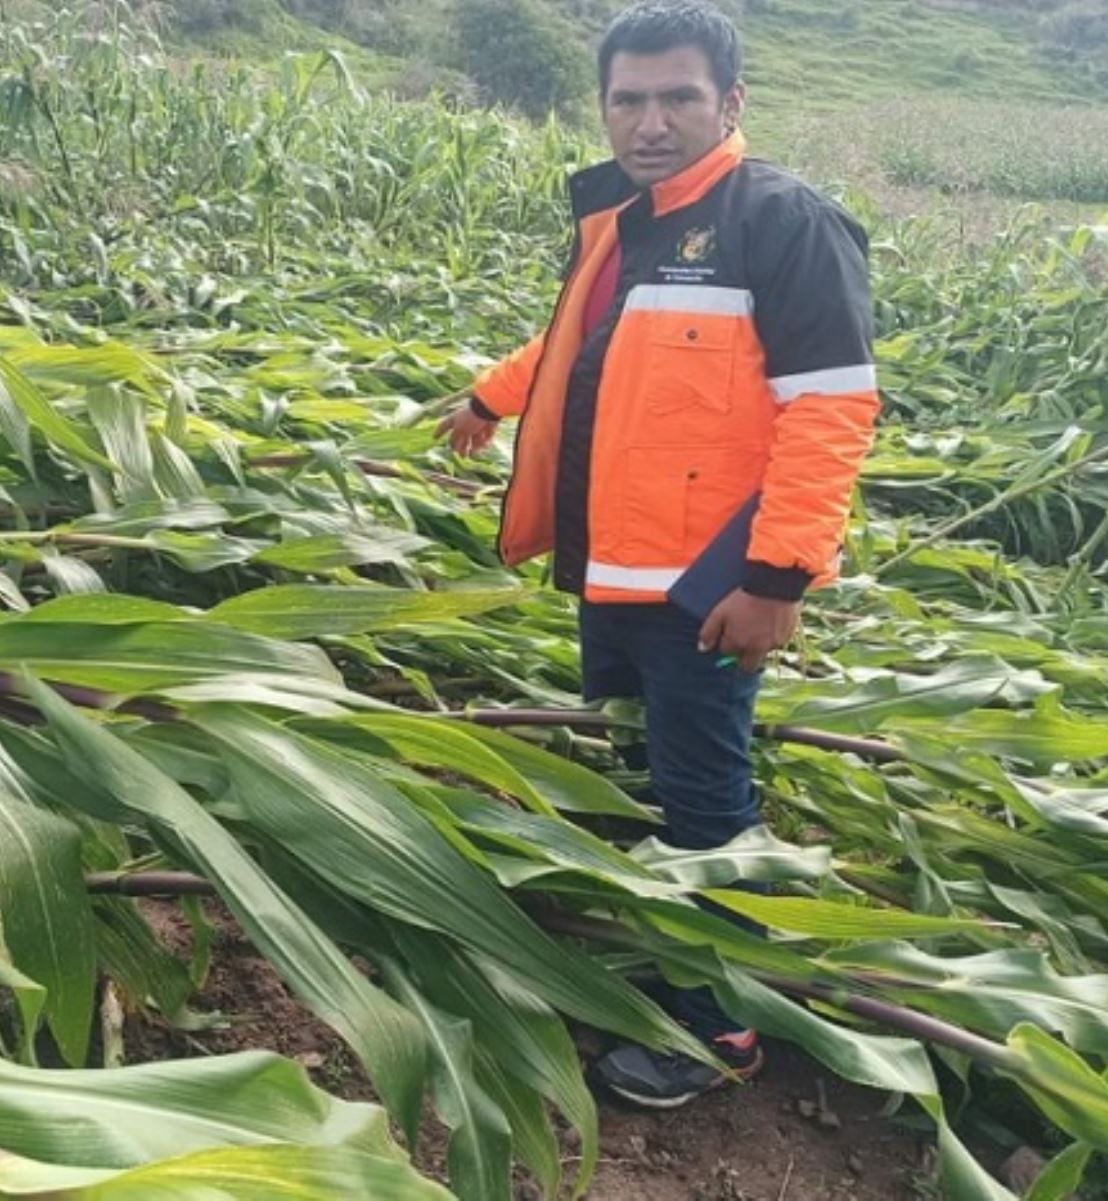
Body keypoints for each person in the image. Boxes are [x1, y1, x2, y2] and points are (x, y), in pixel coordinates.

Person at [438, 0, 880, 1108]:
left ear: (729, 103)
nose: (649, 120)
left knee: (705, 796)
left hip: (708, 587)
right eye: (628, 98)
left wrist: (775, 581)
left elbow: (831, 409)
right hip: (618, 567)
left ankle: (715, 1026)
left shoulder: (778, 220)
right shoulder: (630, 221)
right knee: (668, 768)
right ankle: (677, 930)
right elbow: (583, 337)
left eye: (677, 95)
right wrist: (494, 395)